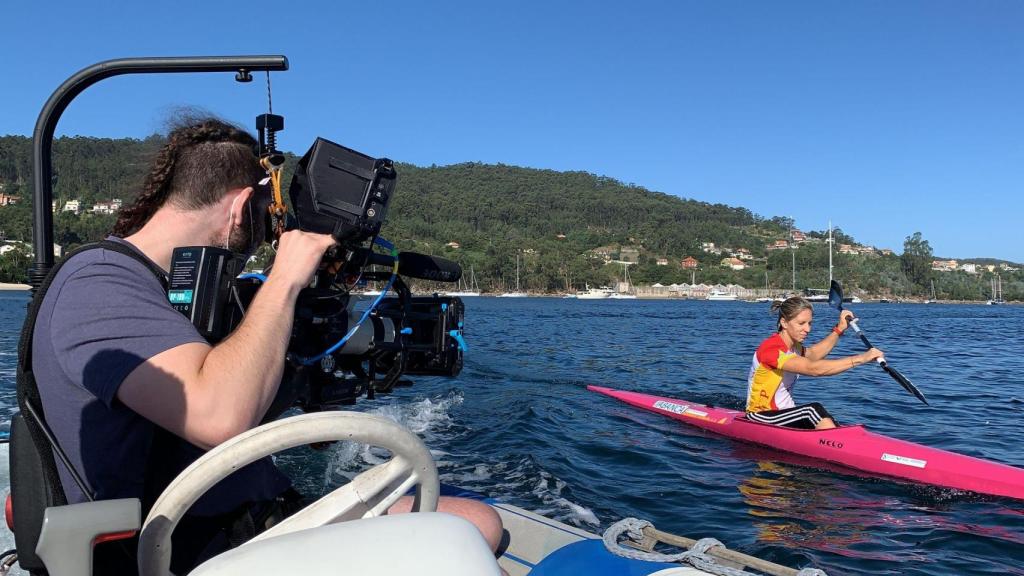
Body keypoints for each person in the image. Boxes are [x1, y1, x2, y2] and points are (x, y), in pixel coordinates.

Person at [30, 116, 502, 573]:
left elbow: (223, 397)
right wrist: (286, 277)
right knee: (465, 538)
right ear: (240, 207)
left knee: (479, 525)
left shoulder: (183, 292)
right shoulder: (99, 284)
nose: (262, 241)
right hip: (178, 551)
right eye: (263, 220)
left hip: (244, 523)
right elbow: (219, 416)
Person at [745, 296, 884, 430]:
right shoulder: (771, 349)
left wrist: (840, 329)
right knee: (813, 411)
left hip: (785, 414)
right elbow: (812, 368)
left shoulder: (795, 347)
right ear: (784, 323)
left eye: (809, 323)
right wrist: (861, 358)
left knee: (824, 417)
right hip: (760, 417)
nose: (808, 329)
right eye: (801, 323)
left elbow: (813, 355)